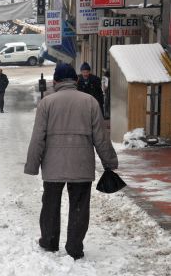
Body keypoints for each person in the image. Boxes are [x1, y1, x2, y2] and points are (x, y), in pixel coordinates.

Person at [24, 63, 118, 260]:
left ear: (55, 81)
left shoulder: (46, 103)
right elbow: (101, 137)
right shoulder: (90, 102)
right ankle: (74, 247)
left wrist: (32, 165)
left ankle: (49, 241)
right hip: (82, 164)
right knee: (79, 205)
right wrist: (109, 162)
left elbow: (37, 137)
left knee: (50, 203)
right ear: (75, 80)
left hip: (53, 165)